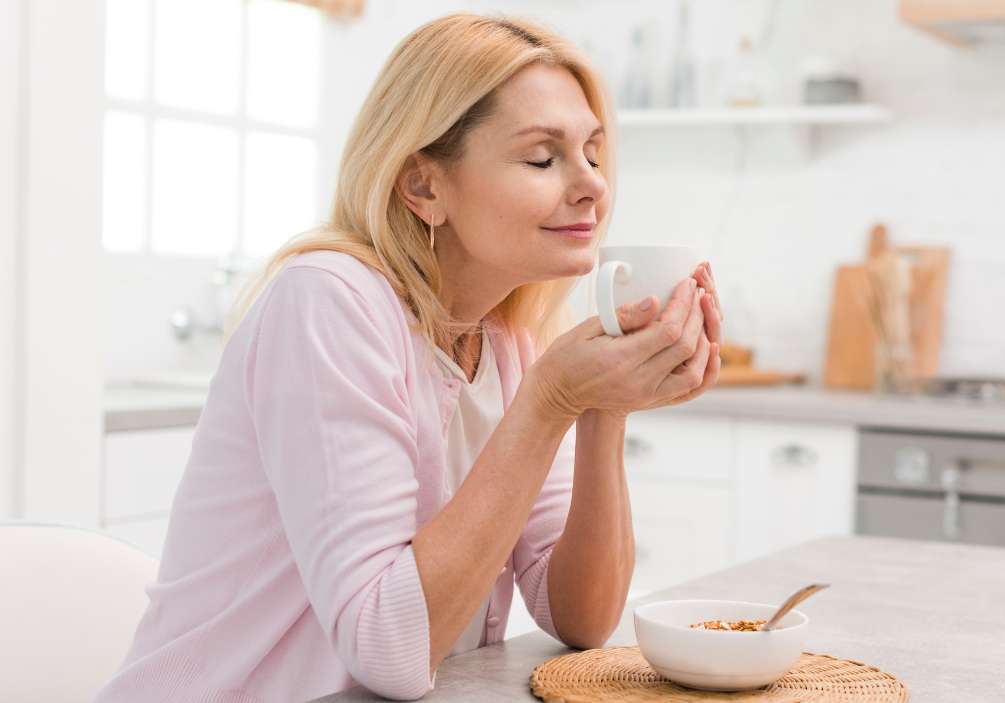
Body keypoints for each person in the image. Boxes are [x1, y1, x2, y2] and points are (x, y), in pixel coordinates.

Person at [94, 13, 723, 702]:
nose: (592, 186)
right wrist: (552, 402)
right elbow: (388, 650)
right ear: (424, 186)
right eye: (543, 158)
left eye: (594, 154)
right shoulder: (328, 304)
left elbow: (581, 616)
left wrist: (604, 406)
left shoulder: (510, 341)